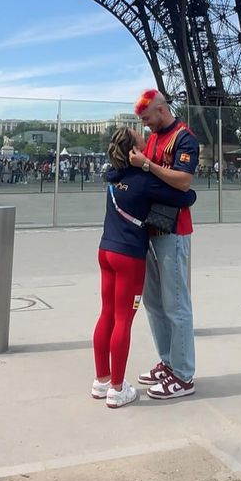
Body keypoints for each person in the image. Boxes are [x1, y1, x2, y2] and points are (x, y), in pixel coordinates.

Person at [93, 127, 196, 409]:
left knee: (107, 315)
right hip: (129, 257)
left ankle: (101, 380)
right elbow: (187, 196)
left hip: (105, 250)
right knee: (124, 321)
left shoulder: (113, 176)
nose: (145, 135)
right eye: (139, 136)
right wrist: (152, 169)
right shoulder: (143, 181)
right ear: (134, 150)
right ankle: (117, 389)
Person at [128, 89, 199, 400]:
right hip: (151, 228)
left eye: (147, 119)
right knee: (154, 303)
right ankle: (169, 363)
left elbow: (184, 180)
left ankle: (183, 375)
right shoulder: (154, 136)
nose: (145, 125)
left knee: (176, 304)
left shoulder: (185, 138)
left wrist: (147, 166)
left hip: (174, 230)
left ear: (160, 109)